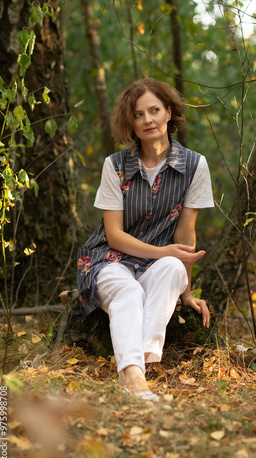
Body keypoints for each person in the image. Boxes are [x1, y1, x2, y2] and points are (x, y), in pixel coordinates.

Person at [77, 77, 214, 401]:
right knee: (128, 291)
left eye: (154, 110)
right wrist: (162, 251)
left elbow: (184, 235)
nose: (148, 119)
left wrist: (187, 293)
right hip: (109, 260)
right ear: (131, 122)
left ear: (169, 112)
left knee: (173, 268)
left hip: (156, 263)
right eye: (138, 114)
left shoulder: (195, 166)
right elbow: (113, 235)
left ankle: (142, 356)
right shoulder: (115, 166)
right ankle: (134, 376)